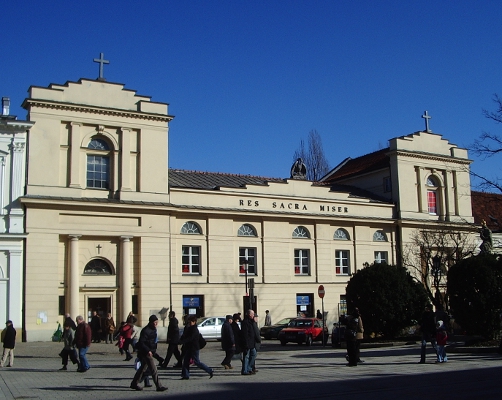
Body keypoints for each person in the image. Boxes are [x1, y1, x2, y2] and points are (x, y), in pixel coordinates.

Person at [130, 315, 167, 392]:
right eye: (154, 322)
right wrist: (148, 351)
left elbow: (152, 342)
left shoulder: (153, 329)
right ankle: (158, 386)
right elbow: (142, 343)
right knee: (154, 369)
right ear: (151, 322)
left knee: (142, 369)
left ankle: (134, 383)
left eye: (157, 322)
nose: (156, 324)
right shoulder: (146, 330)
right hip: (146, 352)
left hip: (150, 351)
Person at [179, 315, 214, 380]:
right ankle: (185, 375)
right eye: (189, 322)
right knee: (186, 361)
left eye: (191, 322)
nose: (189, 323)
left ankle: (209, 370)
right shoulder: (189, 328)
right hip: (189, 347)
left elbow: (190, 338)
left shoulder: (194, 329)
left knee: (197, 362)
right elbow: (185, 336)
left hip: (194, 348)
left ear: (194, 322)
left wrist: (183, 341)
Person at [240, 309, 259, 375]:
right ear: (249, 314)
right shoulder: (245, 322)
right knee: (246, 356)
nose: (253, 315)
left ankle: (249, 368)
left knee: (254, 354)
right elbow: (245, 334)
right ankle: (245, 370)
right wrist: (246, 344)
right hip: (247, 343)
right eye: (252, 314)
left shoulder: (251, 322)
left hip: (252, 343)